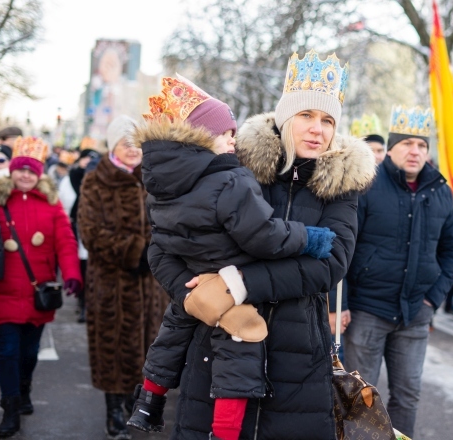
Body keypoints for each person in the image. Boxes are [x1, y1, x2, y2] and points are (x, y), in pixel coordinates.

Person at [141, 50, 377, 440]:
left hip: (297, 352)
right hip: (217, 341)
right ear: (285, 117)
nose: (317, 129)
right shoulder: (234, 166)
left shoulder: (340, 186)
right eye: (306, 116)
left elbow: (331, 264)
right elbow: (164, 247)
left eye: (327, 120)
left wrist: (236, 283)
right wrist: (193, 297)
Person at [343, 104, 453, 438]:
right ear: (392, 147)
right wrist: (342, 303)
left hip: (415, 313)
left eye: (422, 145)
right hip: (368, 310)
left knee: (407, 396)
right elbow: (345, 247)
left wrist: (433, 297)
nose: (415, 151)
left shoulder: (440, 192)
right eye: (407, 144)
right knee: (359, 395)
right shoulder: (366, 185)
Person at [77, 115, 169, 440]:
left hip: (153, 284)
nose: (132, 149)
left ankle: (139, 406)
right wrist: (135, 252)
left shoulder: (157, 178)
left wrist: (159, 253)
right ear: (112, 145)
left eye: (136, 142)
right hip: (113, 284)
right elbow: (91, 233)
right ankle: (113, 411)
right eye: (124, 142)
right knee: (114, 348)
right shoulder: (95, 182)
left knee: (150, 348)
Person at [0, 136, 82, 438]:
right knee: (6, 351)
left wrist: (71, 274)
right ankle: (10, 409)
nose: (26, 176)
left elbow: (66, 243)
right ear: (13, 170)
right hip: (3, 293)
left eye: (32, 171)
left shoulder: (52, 204)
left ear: (39, 173)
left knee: (29, 353)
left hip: (37, 294)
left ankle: (24, 389)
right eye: (21, 170)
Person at [58, 138, 102, 323]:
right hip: (75, 229)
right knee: (82, 268)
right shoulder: (71, 178)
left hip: (98, 232)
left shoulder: (102, 178)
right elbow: (65, 203)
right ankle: (82, 303)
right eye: (86, 158)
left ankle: (91, 304)